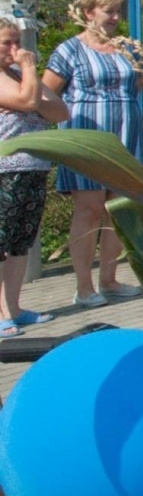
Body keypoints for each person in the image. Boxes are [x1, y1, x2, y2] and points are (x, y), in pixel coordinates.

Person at [43, 0, 143, 308]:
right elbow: (47, 93)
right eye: (109, 11)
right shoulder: (69, 51)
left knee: (116, 211)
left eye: (119, 12)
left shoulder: (126, 48)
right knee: (89, 210)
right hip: (87, 139)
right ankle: (84, 287)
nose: (116, 18)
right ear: (89, 13)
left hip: (126, 137)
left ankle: (110, 280)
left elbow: (140, 85)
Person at [0, 22, 68, 335]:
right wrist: (29, 68)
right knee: (2, 242)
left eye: (17, 42)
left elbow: (60, 112)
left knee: (19, 244)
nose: (15, 49)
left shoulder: (19, 77)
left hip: (33, 169)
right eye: (6, 43)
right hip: (6, 169)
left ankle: (13, 307)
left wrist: (28, 77)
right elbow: (28, 103)